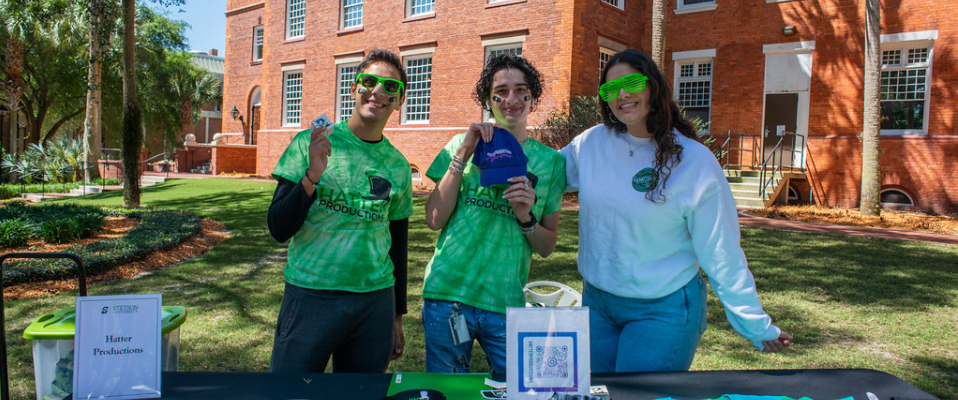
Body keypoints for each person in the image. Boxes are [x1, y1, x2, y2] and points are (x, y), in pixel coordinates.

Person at [560, 49, 793, 373]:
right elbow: (542, 173)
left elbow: (721, 253)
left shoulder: (694, 162)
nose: (622, 94)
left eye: (631, 82)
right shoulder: (590, 144)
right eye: (610, 88)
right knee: (596, 395)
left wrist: (754, 323)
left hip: (661, 310)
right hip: (596, 305)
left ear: (653, 85)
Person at [267, 49, 413, 373]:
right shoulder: (311, 142)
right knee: (291, 395)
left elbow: (397, 244)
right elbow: (278, 227)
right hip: (310, 296)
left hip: (374, 303)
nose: (377, 91)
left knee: (361, 396)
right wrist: (311, 177)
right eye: (369, 81)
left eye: (390, 87)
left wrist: (396, 316)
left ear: (399, 100)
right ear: (354, 88)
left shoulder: (399, 166)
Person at [422, 53, 566, 379]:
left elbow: (546, 247)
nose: (510, 99)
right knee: (451, 391)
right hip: (449, 298)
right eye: (500, 91)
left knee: (516, 388)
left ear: (533, 98)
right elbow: (433, 219)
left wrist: (526, 217)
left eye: (521, 90)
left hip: (506, 304)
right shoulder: (462, 144)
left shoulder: (551, 163)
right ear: (488, 99)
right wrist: (463, 155)